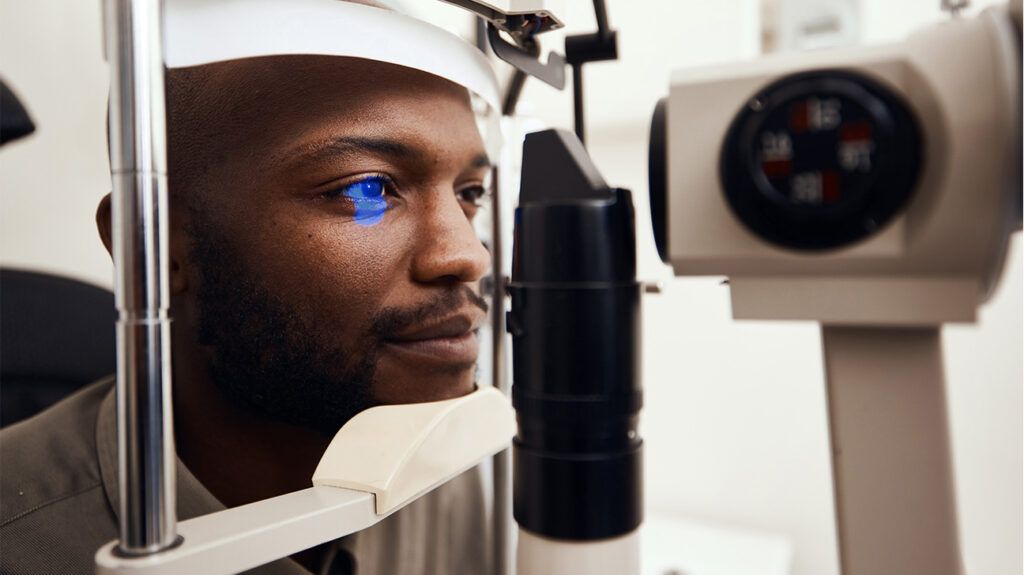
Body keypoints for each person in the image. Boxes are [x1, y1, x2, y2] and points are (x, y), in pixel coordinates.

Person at [0, 2, 495, 573]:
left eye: (470, 192)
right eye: (366, 190)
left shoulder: (477, 476)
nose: (466, 255)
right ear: (153, 247)